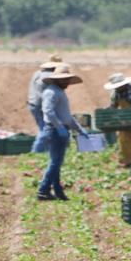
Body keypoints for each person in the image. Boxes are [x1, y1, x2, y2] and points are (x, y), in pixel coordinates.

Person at [36, 65, 88, 202]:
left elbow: (66, 116)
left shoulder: (60, 91)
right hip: (54, 130)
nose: (66, 83)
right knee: (55, 162)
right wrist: (59, 127)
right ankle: (43, 190)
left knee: (57, 162)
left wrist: (78, 128)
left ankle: (58, 192)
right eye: (63, 80)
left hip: (60, 129)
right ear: (56, 80)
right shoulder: (51, 92)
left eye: (67, 80)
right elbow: (48, 111)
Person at [28, 55, 64, 151]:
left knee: (44, 127)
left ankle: (46, 150)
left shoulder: (37, 73)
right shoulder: (50, 76)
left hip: (33, 103)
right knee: (45, 128)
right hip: (41, 105)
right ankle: (36, 151)